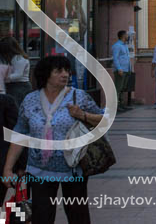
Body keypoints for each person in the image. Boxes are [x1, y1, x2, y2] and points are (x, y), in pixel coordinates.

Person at [3, 55, 105, 224]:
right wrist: (8, 169)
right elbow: (20, 134)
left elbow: (104, 120)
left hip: (73, 168)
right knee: (42, 217)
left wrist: (83, 115)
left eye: (67, 71)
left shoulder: (78, 97)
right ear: (46, 75)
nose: (65, 74)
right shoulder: (30, 100)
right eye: (59, 71)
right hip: (39, 169)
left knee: (78, 216)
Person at [0, 37, 31, 106]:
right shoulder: (14, 58)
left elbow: (18, 75)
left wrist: (4, 78)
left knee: (15, 107)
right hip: (14, 86)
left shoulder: (19, 59)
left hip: (19, 86)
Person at [111, 30, 132, 113]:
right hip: (120, 70)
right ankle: (115, 106)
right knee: (118, 88)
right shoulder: (117, 46)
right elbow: (115, 58)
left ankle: (121, 104)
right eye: (126, 35)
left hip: (126, 70)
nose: (127, 36)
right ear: (123, 36)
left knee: (122, 88)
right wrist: (119, 68)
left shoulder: (124, 45)